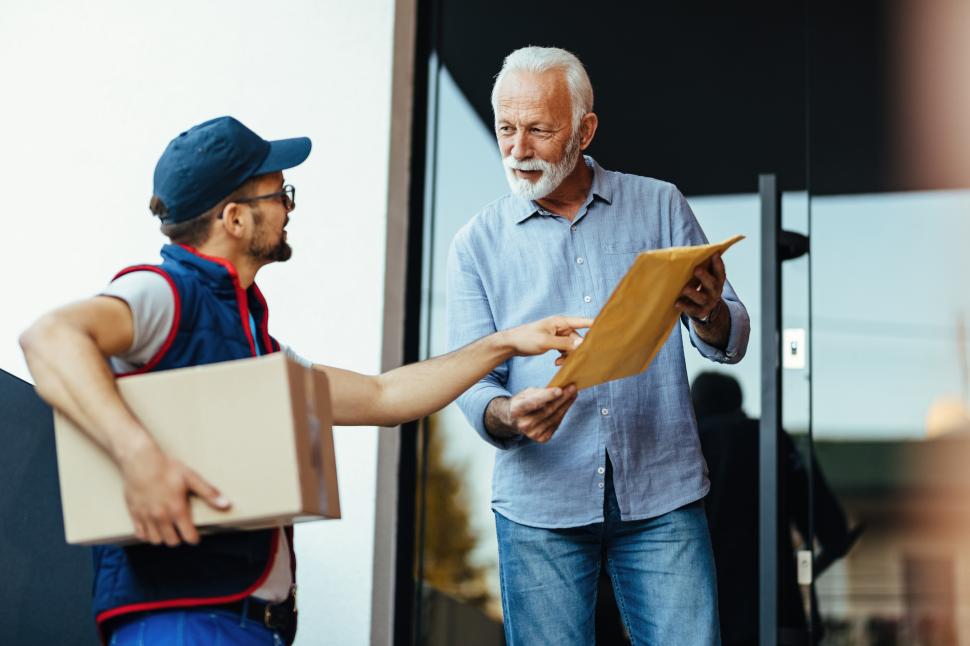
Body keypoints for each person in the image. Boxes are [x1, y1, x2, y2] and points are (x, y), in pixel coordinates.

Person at [18, 116, 591, 646]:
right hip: (183, 622)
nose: (289, 209)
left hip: (247, 625)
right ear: (235, 218)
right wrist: (137, 455)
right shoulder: (165, 293)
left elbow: (383, 396)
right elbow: (50, 338)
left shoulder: (253, 343)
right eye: (279, 195)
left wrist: (508, 341)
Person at [447, 46, 751, 645]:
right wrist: (507, 414)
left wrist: (710, 311)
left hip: (663, 494)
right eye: (506, 129)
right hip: (540, 504)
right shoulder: (474, 243)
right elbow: (470, 382)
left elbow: (731, 335)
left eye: (538, 130)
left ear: (585, 130)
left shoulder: (661, 204)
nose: (517, 149)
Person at [692, 371, 858, 645]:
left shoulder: (688, 445)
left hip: (704, 609)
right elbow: (828, 527)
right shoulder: (770, 439)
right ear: (738, 402)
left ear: (694, 405)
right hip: (773, 607)